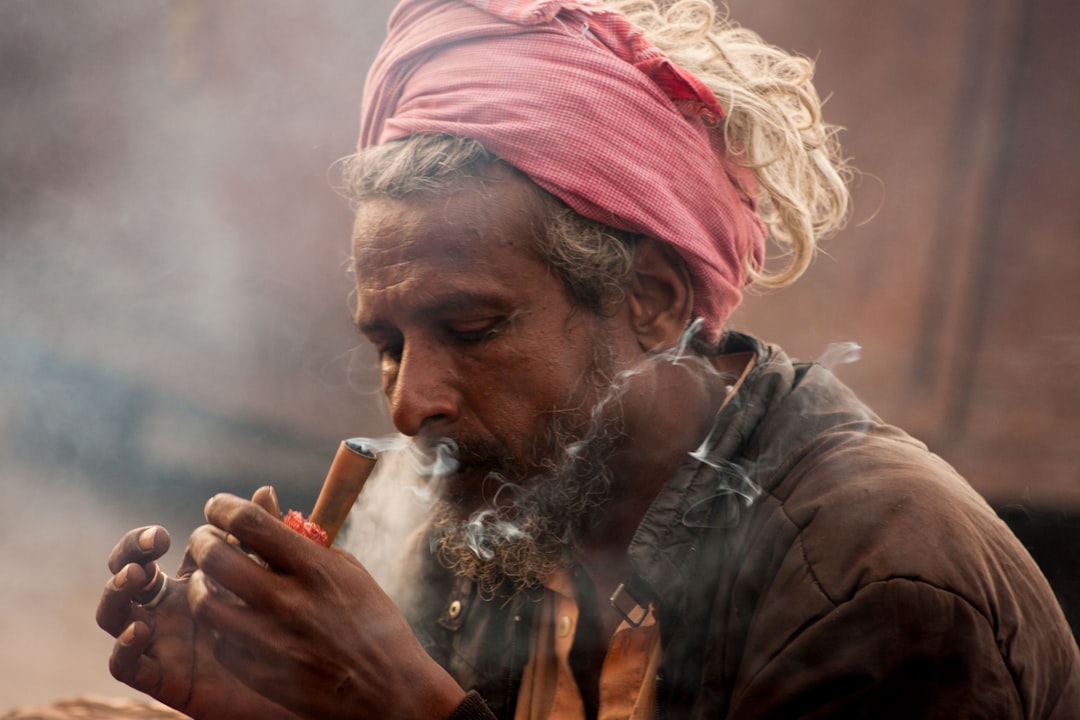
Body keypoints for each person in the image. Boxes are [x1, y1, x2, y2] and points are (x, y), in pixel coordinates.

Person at [97, 0, 1080, 718]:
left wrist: (399, 704)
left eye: (473, 330)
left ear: (652, 301)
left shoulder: (878, 590)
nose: (409, 403)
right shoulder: (507, 514)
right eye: (387, 345)